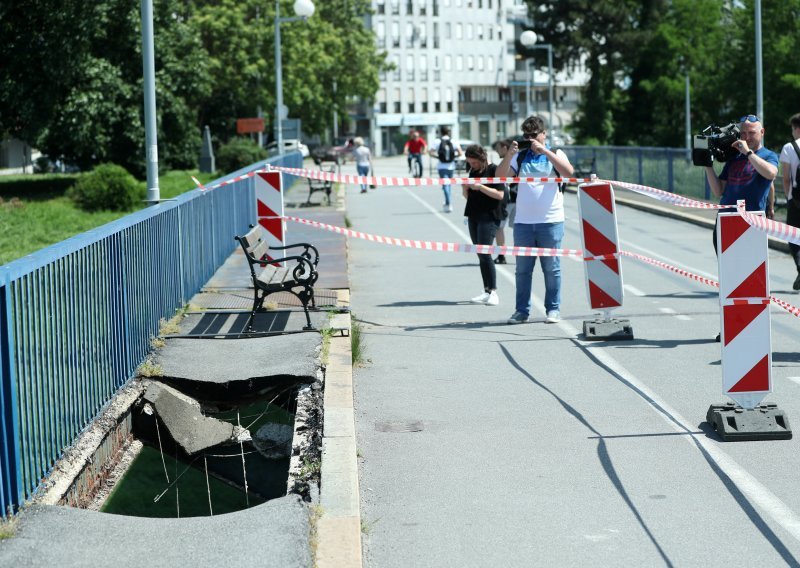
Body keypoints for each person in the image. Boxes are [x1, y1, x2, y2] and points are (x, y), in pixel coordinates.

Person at [496, 115, 574, 324]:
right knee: (522, 270)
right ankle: (521, 311)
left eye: (535, 135)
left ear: (544, 134)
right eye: (527, 136)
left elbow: (569, 173)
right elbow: (500, 177)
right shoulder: (519, 157)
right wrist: (509, 155)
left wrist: (545, 151)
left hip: (551, 221)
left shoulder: (556, 153)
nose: (531, 139)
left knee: (551, 268)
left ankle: (553, 309)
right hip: (523, 222)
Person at [704, 114, 778, 254]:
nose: (747, 137)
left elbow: (771, 173)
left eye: (752, 133)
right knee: (728, 273)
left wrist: (748, 153)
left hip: (752, 222)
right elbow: (718, 190)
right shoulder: (734, 157)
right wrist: (707, 165)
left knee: (752, 272)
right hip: (726, 220)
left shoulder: (769, 156)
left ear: (762, 132)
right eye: (743, 133)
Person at [463, 144, 506, 306]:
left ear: (482, 159)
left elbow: (500, 195)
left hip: (489, 216)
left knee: (486, 252)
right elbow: (468, 197)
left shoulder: (495, 170)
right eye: (470, 163)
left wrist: (480, 187)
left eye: (474, 163)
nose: (472, 166)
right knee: (480, 253)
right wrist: (465, 188)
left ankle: (493, 291)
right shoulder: (473, 172)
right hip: (474, 214)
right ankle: (486, 289)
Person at [780, 113, 800, 289]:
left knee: (792, 235)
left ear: (797, 128)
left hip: (796, 200)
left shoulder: (789, 147)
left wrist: (789, 197)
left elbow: (786, 178)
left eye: (792, 129)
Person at [492, 139, 516, 264]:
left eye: (498, 148)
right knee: (519, 228)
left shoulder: (507, 162)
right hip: (519, 199)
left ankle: (501, 256)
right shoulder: (519, 159)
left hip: (508, 200)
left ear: (505, 148)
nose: (496, 151)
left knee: (499, 228)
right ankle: (524, 256)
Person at [429, 126, 462, 213]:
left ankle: (448, 203)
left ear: (440, 132)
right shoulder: (453, 141)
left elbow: (430, 152)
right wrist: (453, 157)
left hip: (441, 167)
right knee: (449, 184)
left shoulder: (437, 141)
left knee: (445, 185)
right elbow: (460, 153)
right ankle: (448, 201)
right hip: (451, 166)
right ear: (449, 132)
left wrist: (438, 157)